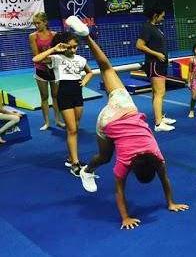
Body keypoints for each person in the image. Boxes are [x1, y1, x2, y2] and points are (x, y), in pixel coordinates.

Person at [62, 16, 189, 230]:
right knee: (105, 157)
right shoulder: (125, 163)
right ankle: (87, 170)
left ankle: (87, 37)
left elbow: (163, 179)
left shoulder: (157, 156)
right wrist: (126, 217)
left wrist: (170, 202)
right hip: (108, 120)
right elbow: (119, 190)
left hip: (126, 108)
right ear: (134, 170)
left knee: (106, 67)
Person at [32, 32, 93, 176]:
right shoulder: (57, 59)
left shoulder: (80, 59)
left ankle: (71, 157)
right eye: (69, 47)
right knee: (71, 130)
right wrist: (54, 49)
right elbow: (36, 59)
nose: (73, 50)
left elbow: (90, 72)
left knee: (75, 128)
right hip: (64, 95)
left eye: (75, 47)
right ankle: (75, 163)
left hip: (77, 95)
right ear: (63, 46)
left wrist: (85, 81)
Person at [136, 4, 176, 132]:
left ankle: (160, 117)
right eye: (162, 16)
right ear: (155, 15)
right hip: (154, 64)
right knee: (159, 92)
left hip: (160, 64)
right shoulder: (147, 27)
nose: (163, 18)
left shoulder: (155, 28)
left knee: (157, 92)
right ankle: (158, 124)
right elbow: (139, 45)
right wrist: (157, 54)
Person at [28, 12, 65, 130]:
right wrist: (47, 62)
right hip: (41, 70)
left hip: (54, 69)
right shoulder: (33, 36)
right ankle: (47, 122)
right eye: (34, 23)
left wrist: (52, 63)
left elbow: (58, 53)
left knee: (56, 96)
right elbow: (36, 56)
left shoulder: (54, 35)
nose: (36, 25)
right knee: (44, 97)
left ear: (45, 22)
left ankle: (58, 120)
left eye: (38, 23)